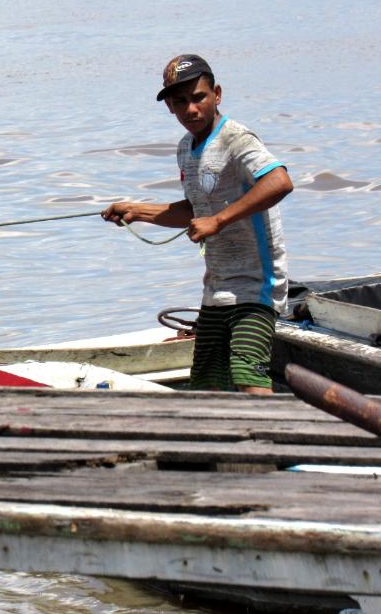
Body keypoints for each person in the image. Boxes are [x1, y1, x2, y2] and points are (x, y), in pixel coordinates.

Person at [102, 54, 293, 394]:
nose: (190, 109)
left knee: (248, 375)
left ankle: (271, 440)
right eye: (180, 102)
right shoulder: (186, 149)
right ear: (170, 108)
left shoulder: (238, 139)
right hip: (216, 289)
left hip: (256, 288)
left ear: (217, 94)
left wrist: (218, 221)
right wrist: (136, 211)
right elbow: (195, 210)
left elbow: (279, 182)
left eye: (198, 98)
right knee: (206, 386)